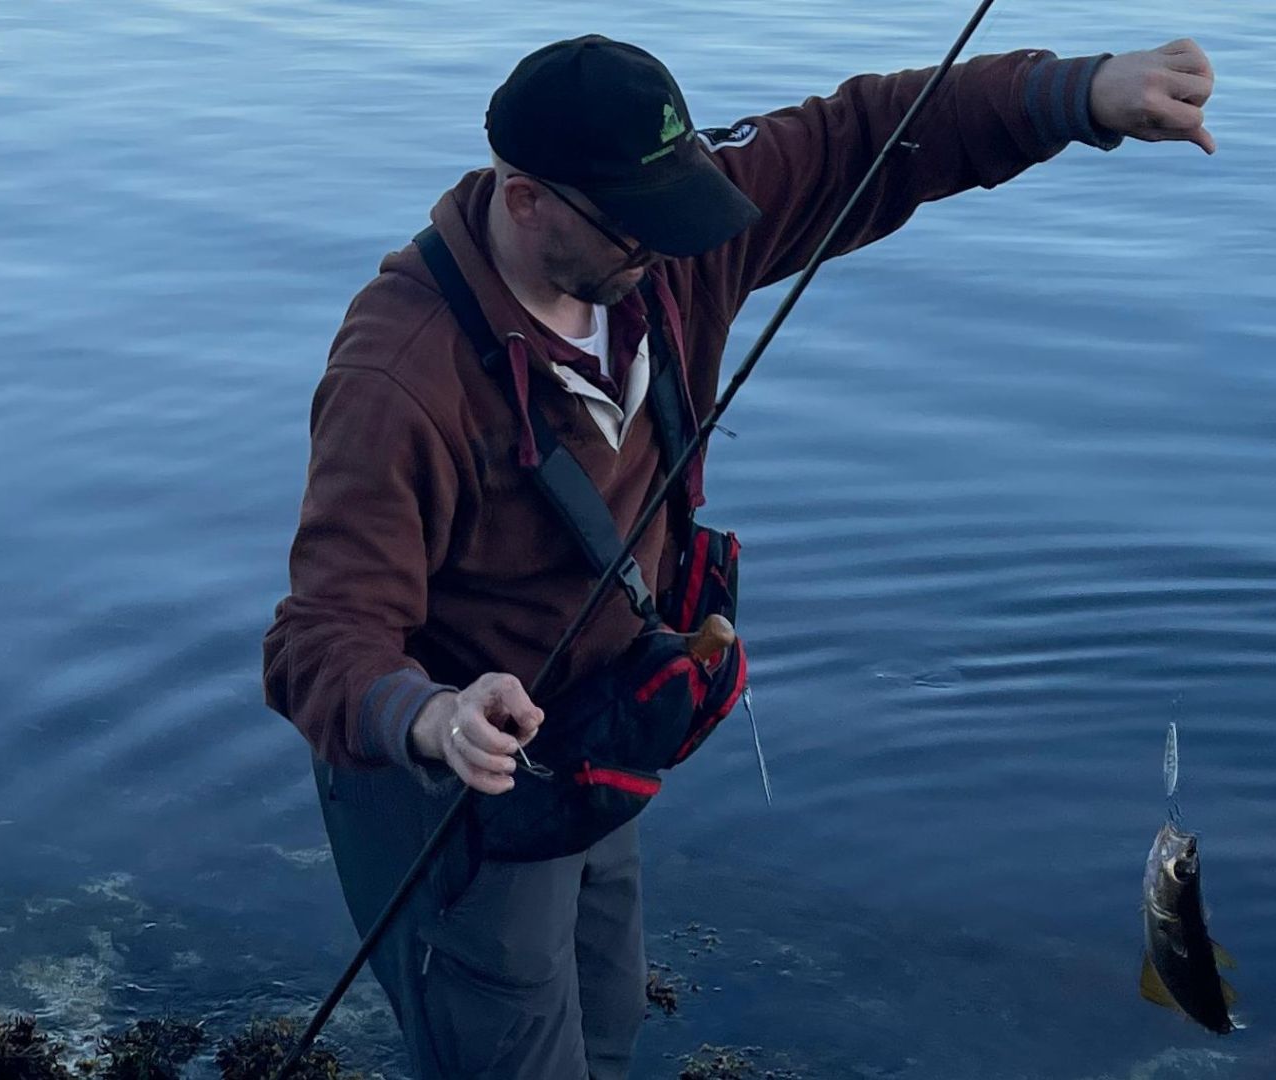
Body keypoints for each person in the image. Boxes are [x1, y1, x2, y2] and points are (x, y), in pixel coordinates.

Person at [263, 31, 1216, 1079]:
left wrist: (1080, 96)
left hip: (599, 734)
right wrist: (433, 716)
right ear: (525, 198)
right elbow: (321, 637)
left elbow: (871, 137)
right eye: (637, 229)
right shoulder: (398, 377)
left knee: (611, 1023)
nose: (666, 250)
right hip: (454, 789)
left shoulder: (662, 242)